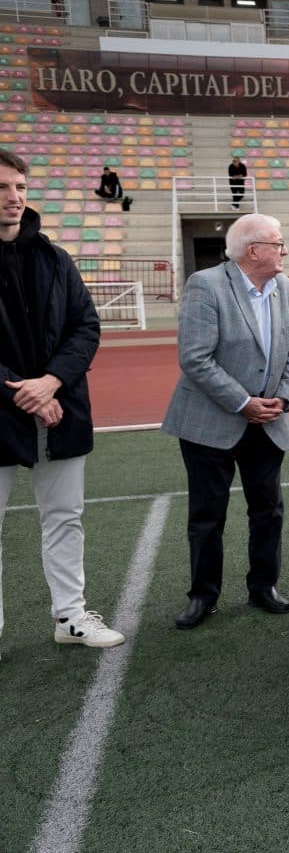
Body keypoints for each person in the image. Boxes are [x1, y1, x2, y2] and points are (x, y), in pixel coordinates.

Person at [0, 148, 124, 650]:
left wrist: (50, 382)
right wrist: (23, 391)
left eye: (20, 188)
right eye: (2, 188)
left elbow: (85, 327)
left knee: (65, 517)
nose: (13, 198)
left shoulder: (54, 258)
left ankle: (69, 616)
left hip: (59, 406)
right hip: (6, 409)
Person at [162, 213, 289, 630]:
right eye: (278, 244)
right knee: (207, 515)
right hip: (212, 423)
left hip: (268, 420)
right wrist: (243, 402)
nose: (284, 251)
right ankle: (203, 595)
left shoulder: (286, 289)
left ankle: (264, 586)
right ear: (253, 250)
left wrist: (284, 396)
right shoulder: (206, 285)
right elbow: (195, 358)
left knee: (269, 510)